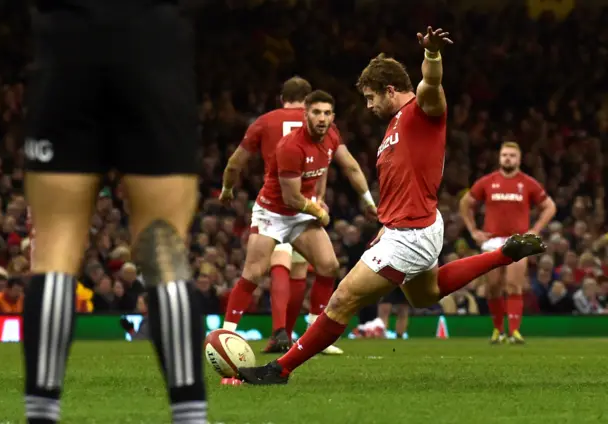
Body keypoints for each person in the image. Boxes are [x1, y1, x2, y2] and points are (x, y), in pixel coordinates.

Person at [238, 27, 546, 385]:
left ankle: (280, 369)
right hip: (408, 226)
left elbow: (430, 86)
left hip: (412, 231)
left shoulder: (420, 110)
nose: (368, 106)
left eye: (371, 97)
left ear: (389, 90)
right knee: (424, 294)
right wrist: (385, 222)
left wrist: (431, 54)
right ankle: (503, 255)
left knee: (341, 301)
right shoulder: (393, 128)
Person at [22, 1, 204, 423]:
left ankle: (41, 414)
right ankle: (190, 415)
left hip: (66, 45)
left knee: (55, 247)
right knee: (163, 247)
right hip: (153, 44)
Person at [221, 89, 376, 355]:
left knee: (329, 266)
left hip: (302, 213)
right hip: (273, 212)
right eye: (316, 112)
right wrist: (319, 211)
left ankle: (316, 329)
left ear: (333, 117)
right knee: (254, 272)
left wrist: (368, 202)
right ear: (305, 115)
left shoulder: (331, 138)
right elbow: (290, 197)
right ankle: (226, 333)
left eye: (327, 113)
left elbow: (344, 167)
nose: (322, 118)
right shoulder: (291, 146)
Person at [459, 142, 556, 344]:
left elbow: (549, 207)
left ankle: (514, 331)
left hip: (517, 241)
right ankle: (498, 330)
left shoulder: (527, 183)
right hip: (492, 240)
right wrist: (473, 230)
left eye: (512, 155)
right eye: (504, 155)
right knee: (493, 287)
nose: (508, 158)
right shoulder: (488, 181)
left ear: (519, 159)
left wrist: (535, 230)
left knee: (513, 285)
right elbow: (465, 203)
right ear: (499, 157)